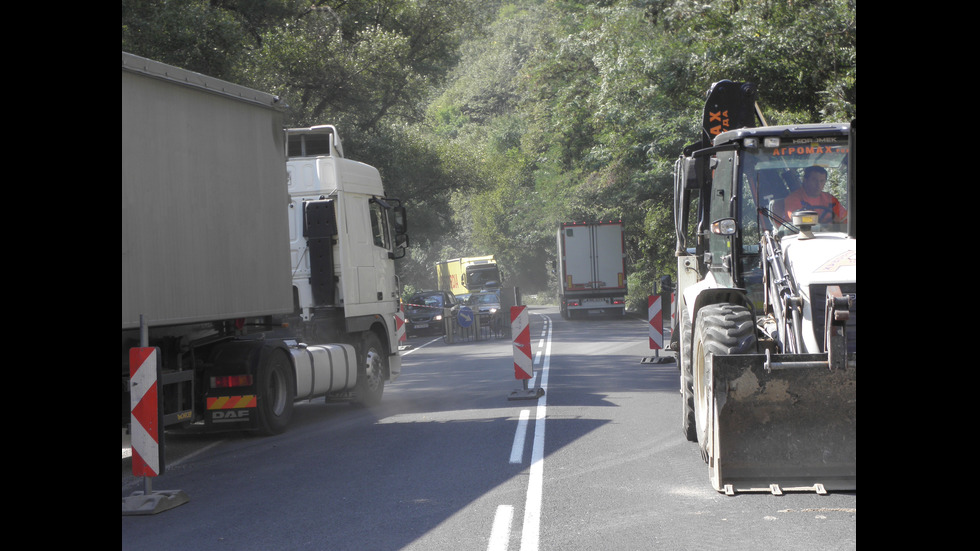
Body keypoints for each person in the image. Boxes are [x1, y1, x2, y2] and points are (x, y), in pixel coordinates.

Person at [782, 166, 847, 224]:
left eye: (822, 181)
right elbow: (798, 219)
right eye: (814, 180)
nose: (818, 185)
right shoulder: (793, 199)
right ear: (805, 180)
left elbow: (845, 219)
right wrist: (824, 222)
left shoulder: (830, 199)